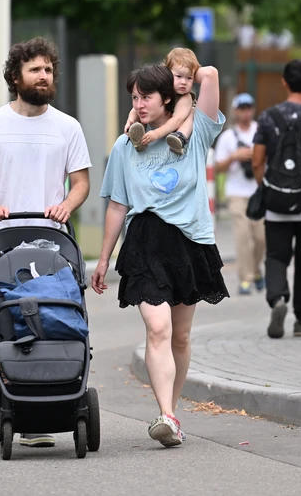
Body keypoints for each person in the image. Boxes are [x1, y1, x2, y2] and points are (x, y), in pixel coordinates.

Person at [0, 37, 92, 447]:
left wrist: (66, 205)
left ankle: (53, 397)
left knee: (54, 317)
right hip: (4, 242)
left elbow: (81, 182)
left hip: (52, 243)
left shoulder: (68, 127)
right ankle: (13, 400)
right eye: (35, 69)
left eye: (48, 70)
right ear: (15, 77)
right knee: (9, 321)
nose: (44, 76)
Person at [91, 63, 228, 447]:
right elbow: (117, 205)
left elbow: (210, 75)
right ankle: (166, 414)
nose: (139, 104)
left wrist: (179, 79)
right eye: (134, 97)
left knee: (180, 337)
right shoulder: (125, 146)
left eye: (146, 96)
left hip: (189, 243)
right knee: (158, 328)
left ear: (167, 96)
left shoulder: (196, 131)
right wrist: (103, 258)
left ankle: (173, 414)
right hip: (145, 243)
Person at [251, 59, 301, 339]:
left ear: (284, 82)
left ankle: (277, 298)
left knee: (276, 256)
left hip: (276, 204)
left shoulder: (267, 117)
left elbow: (257, 161)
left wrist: (267, 188)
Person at [213, 92, 265, 295]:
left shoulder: (261, 131)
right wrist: (235, 156)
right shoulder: (227, 137)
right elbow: (217, 168)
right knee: (243, 236)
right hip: (236, 192)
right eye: (242, 109)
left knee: (261, 238)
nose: (246, 113)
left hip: (258, 191)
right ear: (235, 111)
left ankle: (255, 270)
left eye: (249, 108)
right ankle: (245, 279)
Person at [123, 47, 200, 156]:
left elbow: (177, 120)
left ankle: (180, 137)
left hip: (177, 125)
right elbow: (136, 109)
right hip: (164, 122)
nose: (183, 82)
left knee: (193, 112)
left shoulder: (185, 97)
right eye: (178, 76)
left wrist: (156, 134)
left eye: (189, 78)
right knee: (142, 109)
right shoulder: (161, 89)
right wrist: (130, 120)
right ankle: (139, 139)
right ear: (167, 73)